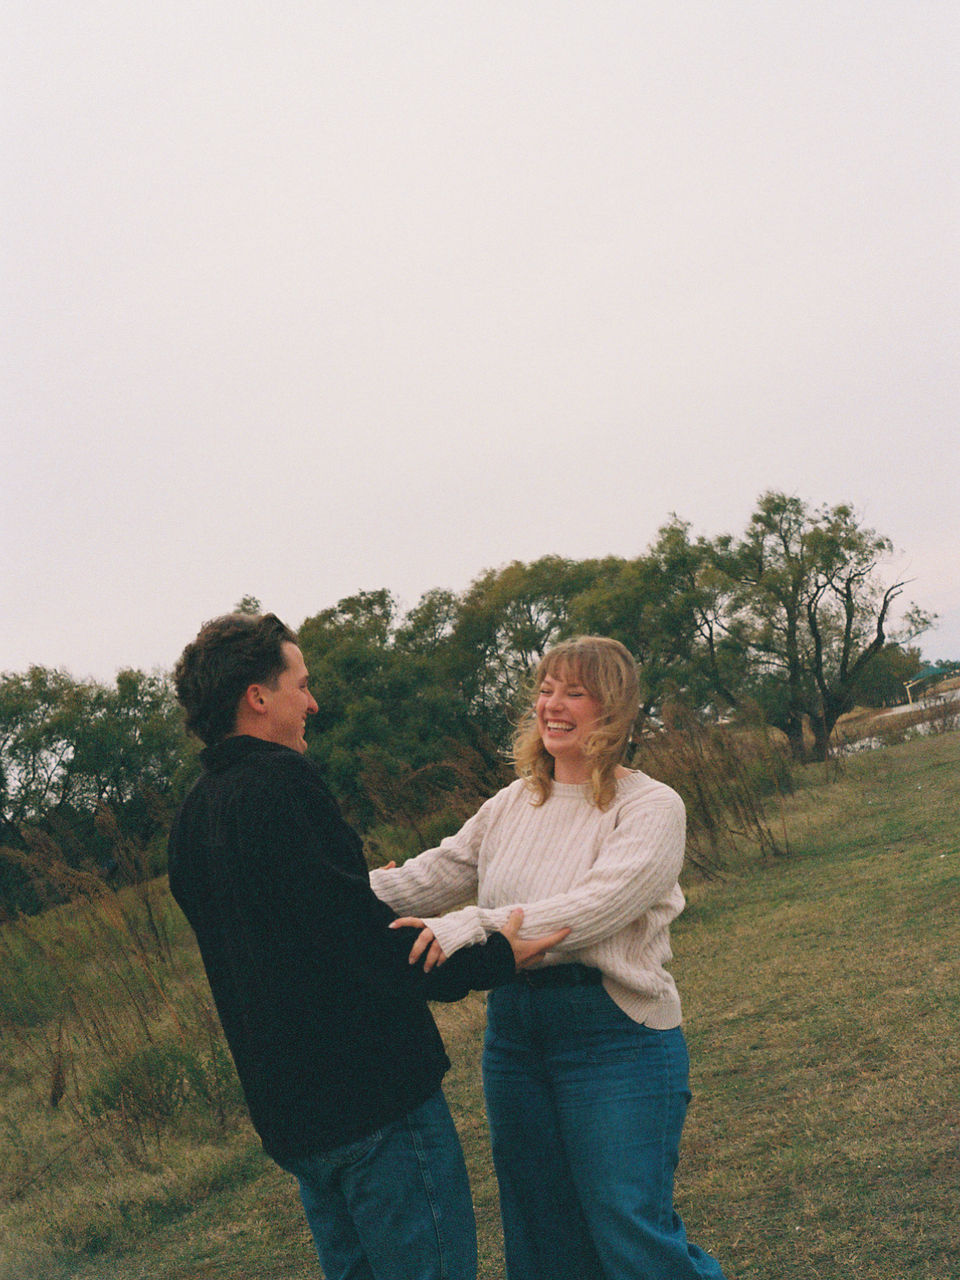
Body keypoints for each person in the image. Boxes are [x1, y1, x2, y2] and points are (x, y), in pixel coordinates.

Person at [166, 612, 568, 1280]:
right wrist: (499, 955)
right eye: (300, 684)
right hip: (373, 1106)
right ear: (257, 698)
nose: (313, 702)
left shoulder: (194, 816)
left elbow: (297, 938)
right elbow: (358, 948)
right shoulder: (282, 784)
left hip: (295, 1122)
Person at [370, 635, 728, 1280]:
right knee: (539, 1233)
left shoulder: (651, 806)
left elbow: (595, 908)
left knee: (628, 1226)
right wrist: (324, 889)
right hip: (515, 1036)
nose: (552, 705)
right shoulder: (513, 800)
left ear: (612, 709)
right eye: (544, 688)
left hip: (616, 1035)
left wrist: (475, 924)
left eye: (574, 691)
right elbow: (433, 873)